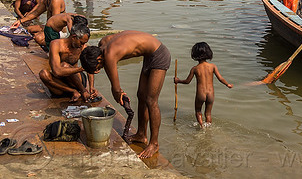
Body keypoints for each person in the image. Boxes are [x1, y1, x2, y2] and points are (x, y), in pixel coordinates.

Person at [80, 31, 170, 159]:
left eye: (98, 67)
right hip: (149, 55)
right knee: (141, 96)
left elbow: (116, 89)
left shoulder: (109, 55)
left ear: (99, 58)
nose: (99, 70)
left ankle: (154, 143)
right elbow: (116, 86)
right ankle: (141, 134)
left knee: (151, 101)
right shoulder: (103, 43)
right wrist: (119, 92)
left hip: (159, 54)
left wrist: (119, 94)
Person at [174, 42, 232, 128]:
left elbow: (187, 81)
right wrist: (227, 84)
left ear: (195, 55)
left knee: (198, 111)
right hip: (211, 93)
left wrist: (178, 80)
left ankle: (201, 127)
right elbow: (220, 78)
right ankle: (208, 128)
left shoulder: (195, 69)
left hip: (200, 94)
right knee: (208, 113)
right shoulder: (212, 66)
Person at [39, 23, 92, 102]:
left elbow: (91, 65)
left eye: (84, 43)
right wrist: (81, 69)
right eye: (81, 42)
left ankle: (80, 90)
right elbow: (56, 71)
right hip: (61, 83)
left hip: (77, 81)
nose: (82, 45)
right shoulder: (56, 44)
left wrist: (91, 87)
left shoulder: (83, 47)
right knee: (43, 74)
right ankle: (72, 91)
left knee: (64, 65)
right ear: (74, 37)